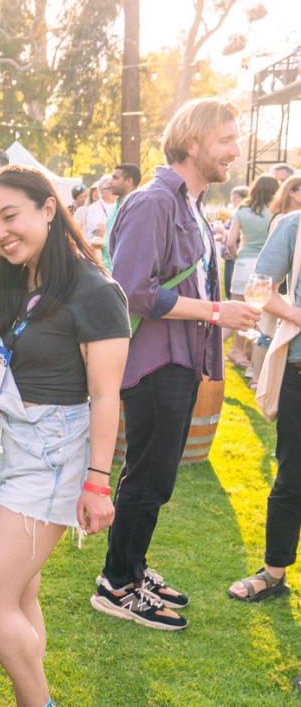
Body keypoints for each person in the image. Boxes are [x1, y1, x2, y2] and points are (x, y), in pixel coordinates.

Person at [0, 167, 128, 707]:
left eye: (10, 216)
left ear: (49, 209)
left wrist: (98, 483)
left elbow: (106, 395)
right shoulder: (14, 277)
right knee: (18, 590)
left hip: (49, 451)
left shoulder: (95, 289)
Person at [95, 98, 261, 631]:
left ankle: (130, 568)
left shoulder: (190, 200)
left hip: (181, 360)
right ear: (193, 143)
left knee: (155, 476)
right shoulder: (154, 201)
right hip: (154, 363)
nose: (236, 150)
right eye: (227, 140)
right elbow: (130, 291)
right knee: (148, 478)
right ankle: (117, 584)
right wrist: (217, 311)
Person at [226, 205, 301, 603]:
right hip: (299, 372)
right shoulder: (294, 225)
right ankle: (273, 573)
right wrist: (296, 314)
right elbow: (258, 287)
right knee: (291, 478)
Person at [225, 175, 279, 368]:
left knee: (233, 309)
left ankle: (221, 349)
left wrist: (235, 256)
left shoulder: (242, 210)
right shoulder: (276, 212)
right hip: (265, 267)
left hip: (243, 263)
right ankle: (248, 357)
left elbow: (230, 242)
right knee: (258, 316)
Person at [100, 163, 141, 269]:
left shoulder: (137, 206)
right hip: (109, 270)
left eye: (115, 178)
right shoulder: (117, 205)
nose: (110, 182)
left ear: (129, 181)